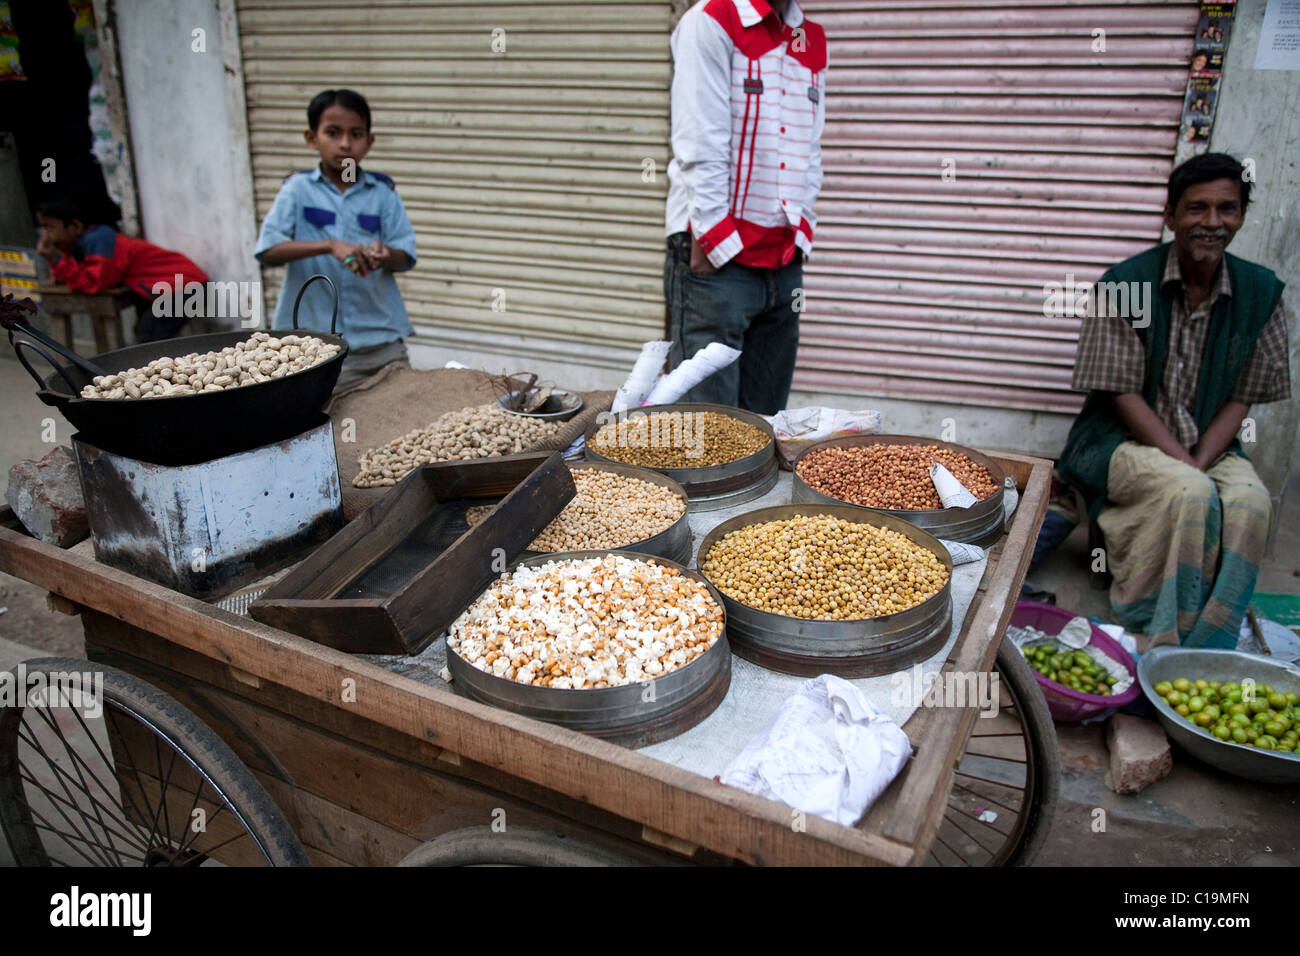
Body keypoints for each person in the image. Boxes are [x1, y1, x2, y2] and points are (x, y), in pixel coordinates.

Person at [1057, 153, 1290, 650]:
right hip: (1116, 442)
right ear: (1170, 216)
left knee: (1251, 501)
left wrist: (1201, 462)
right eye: (1196, 209)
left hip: (1210, 444)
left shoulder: (1260, 293)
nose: (1211, 223)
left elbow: (1243, 398)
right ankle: (1156, 631)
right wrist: (1190, 469)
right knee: (1190, 492)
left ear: (1241, 216)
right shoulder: (1125, 284)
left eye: (1226, 209)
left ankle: (1212, 639)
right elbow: (1120, 393)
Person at [663, 0, 827, 414]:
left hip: (783, 260)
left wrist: (802, 233)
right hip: (718, 261)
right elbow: (700, 140)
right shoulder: (711, 20)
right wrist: (711, 241)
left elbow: (810, 147)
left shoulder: (810, 39)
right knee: (706, 436)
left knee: (766, 427)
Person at [255, 89, 417, 390]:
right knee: (326, 429)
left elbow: (405, 256)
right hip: (312, 348)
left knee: (401, 423)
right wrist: (329, 246)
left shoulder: (383, 194)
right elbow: (268, 251)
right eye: (333, 132)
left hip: (379, 345)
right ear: (311, 138)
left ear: (369, 141)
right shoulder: (297, 189)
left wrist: (385, 253)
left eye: (356, 134)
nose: (345, 143)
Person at [35, 197, 209, 343]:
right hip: (169, 288)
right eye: (43, 227)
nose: (45, 235)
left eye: (50, 227)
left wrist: (55, 260)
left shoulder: (100, 241)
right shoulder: (82, 245)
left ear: (75, 226)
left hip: (184, 286)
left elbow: (94, 283)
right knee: (149, 335)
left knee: (150, 337)